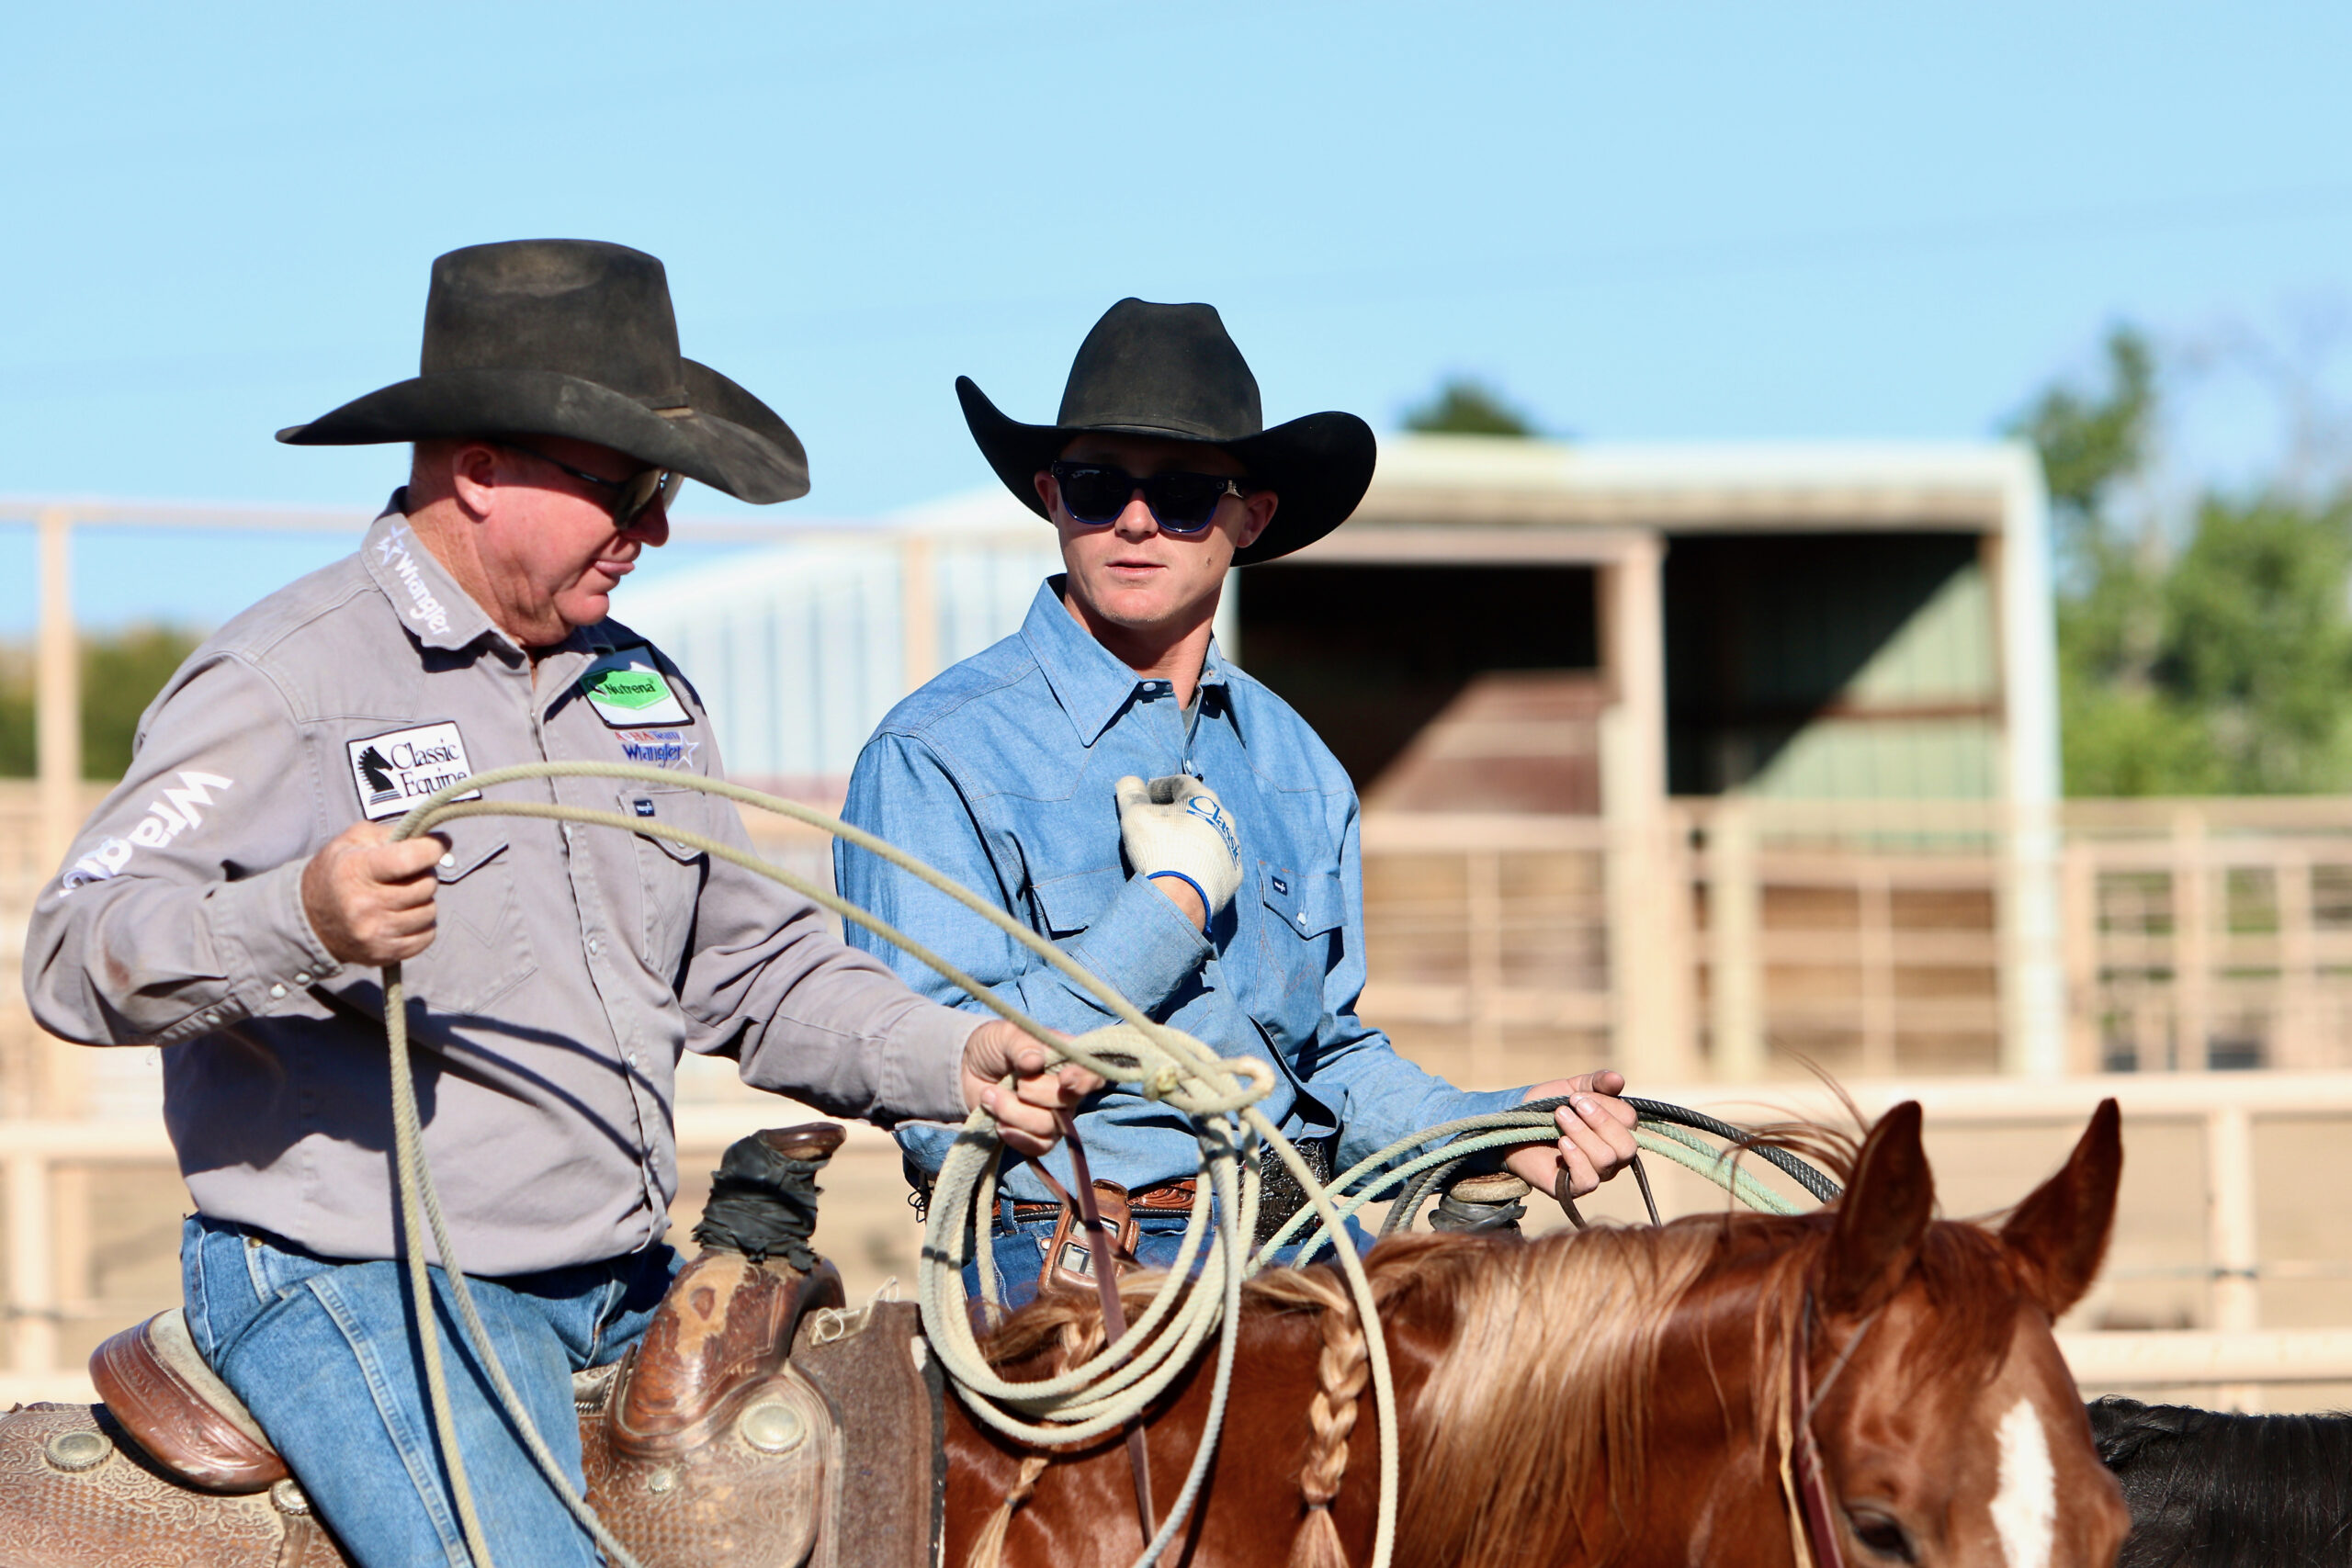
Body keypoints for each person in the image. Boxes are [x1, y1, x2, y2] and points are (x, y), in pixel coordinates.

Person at [22, 240, 1093, 1568]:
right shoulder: (283, 677)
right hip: (359, 1279)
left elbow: (753, 970)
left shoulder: (639, 693)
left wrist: (953, 1055)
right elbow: (72, 950)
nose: (655, 529)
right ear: (479, 468)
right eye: (628, 486)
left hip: (618, 1268)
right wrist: (299, 918)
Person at [833, 298, 1638, 1307]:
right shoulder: (938, 752)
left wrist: (1491, 1127)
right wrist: (1164, 909)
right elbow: (935, 1093)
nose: (1134, 521)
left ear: (1248, 518)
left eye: (1181, 495)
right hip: (1072, 1265)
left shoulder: (1298, 766)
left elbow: (1324, 1056)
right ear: (1050, 497)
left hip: (1303, 1240)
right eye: (1096, 487)